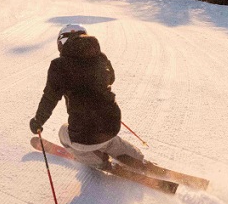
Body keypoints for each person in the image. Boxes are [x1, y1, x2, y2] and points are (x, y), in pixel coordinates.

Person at [29, 24, 145, 170]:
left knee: (64, 133)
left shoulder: (59, 65)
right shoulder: (100, 57)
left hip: (83, 133)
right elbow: (111, 79)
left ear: (62, 43)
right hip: (112, 124)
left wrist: (38, 121)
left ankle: (99, 161)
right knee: (107, 138)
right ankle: (138, 159)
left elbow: (50, 98)